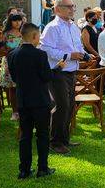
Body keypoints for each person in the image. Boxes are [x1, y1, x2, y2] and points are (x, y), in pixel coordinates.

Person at [8, 23, 64, 179]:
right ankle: (42, 168)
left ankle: (24, 170)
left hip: (23, 100)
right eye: (39, 35)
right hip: (40, 100)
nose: (39, 38)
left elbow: (14, 78)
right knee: (42, 134)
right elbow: (47, 77)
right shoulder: (40, 55)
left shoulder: (12, 54)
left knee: (25, 135)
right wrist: (58, 68)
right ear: (33, 36)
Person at [39, 0, 88, 155]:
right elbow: (45, 49)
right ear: (58, 9)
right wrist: (68, 55)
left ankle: (64, 138)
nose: (73, 9)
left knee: (70, 105)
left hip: (71, 71)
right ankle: (55, 142)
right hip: (58, 72)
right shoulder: (52, 27)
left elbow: (78, 46)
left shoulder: (73, 26)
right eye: (69, 6)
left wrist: (84, 55)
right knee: (61, 106)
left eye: (73, 6)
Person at [0, 13, 25, 121]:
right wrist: (13, 53)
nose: (17, 23)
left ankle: (25, 110)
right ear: (10, 21)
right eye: (15, 20)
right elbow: (0, 51)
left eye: (19, 20)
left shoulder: (25, 33)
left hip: (24, 63)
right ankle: (15, 112)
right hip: (10, 62)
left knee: (24, 87)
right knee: (13, 88)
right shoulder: (5, 34)